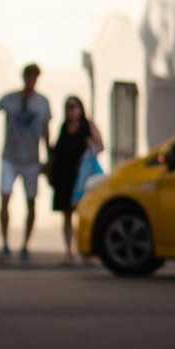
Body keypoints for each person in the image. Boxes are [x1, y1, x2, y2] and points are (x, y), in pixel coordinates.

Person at [0, 64, 52, 263]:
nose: (30, 81)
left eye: (34, 78)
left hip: (31, 160)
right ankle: (5, 244)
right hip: (10, 157)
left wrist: (49, 158)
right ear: (24, 77)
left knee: (31, 202)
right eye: (28, 77)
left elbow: (46, 130)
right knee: (4, 199)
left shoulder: (43, 102)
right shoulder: (9, 99)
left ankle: (26, 246)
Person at [47, 96, 105, 266]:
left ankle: (85, 251)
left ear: (80, 108)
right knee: (66, 214)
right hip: (64, 176)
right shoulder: (64, 127)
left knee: (82, 214)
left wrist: (91, 145)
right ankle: (68, 251)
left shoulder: (88, 126)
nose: (70, 110)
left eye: (73, 106)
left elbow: (101, 145)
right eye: (67, 107)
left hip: (82, 177)